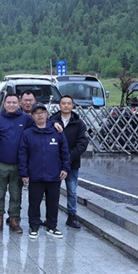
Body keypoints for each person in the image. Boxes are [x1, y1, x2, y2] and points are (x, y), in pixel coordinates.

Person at [19, 103, 71, 239]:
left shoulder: (57, 131)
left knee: (53, 202)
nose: (40, 115)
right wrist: (24, 173)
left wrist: (65, 168)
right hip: (35, 175)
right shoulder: (27, 133)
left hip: (54, 175)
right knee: (34, 202)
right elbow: (23, 154)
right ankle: (34, 226)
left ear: (47, 114)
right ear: (32, 116)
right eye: (36, 113)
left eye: (42, 112)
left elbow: (64, 151)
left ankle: (52, 226)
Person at [0, 93, 30, 234]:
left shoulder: (25, 119)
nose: (11, 105)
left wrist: (54, 124)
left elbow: (39, 127)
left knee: (16, 194)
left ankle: (14, 220)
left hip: (18, 164)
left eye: (14, 102)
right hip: (0, 163)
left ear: (19, 104)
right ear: (4, 104)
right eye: (9, 102)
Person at [49, 95, 89, 229]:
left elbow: (82, 143)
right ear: (59, 105)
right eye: (63, 103)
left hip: (72, 163)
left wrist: (69, 157)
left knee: (72, 191)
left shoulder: (79, 123)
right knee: (52, 192)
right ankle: (51, 217)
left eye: (68, 103)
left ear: (72, 106)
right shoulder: (52, 121)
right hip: (55, 164)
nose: (66, 106)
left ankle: (72, 216)